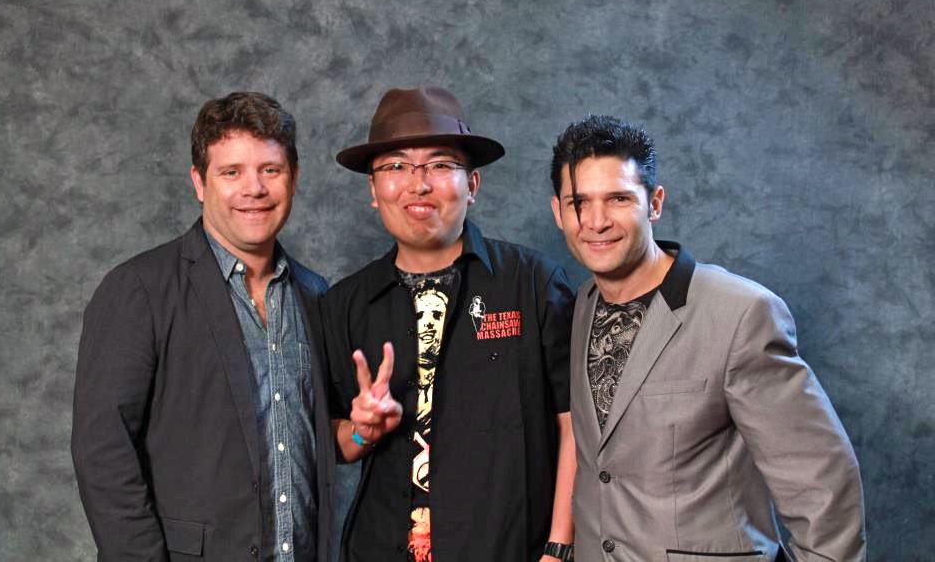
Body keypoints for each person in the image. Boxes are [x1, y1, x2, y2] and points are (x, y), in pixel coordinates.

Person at [549, 115, 866, 562]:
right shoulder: (581, 304)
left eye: (619, 198)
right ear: (559, 213)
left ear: (654, 203)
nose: (597, 222)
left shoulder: (740, 312)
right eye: (580, 202)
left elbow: (820, 480)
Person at [71, 92, 335, 561]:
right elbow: (102, 452)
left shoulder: (315, 295)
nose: (253, 188)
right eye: (231, 172)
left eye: (269, 170)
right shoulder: (139, 289)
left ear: (293, 178)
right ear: (199, 182)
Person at [323, 86, 576, 562]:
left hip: (506, 548)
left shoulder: (532, 283)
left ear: (473, 186)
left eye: (440, 165)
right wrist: (362, 431)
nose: (418, 184)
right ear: (374, 190)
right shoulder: (344, 303)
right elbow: (337, 444)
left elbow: (575, 426)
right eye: (396, 166)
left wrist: (559, 547)